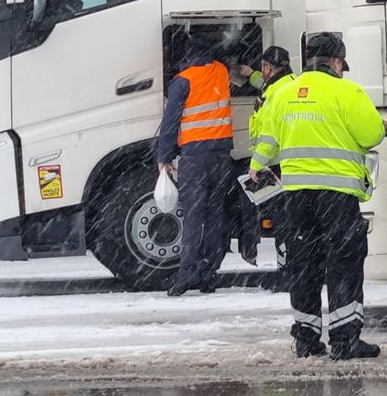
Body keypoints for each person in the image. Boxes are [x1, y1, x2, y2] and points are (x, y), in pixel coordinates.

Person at [249, 32, 384, 360]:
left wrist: (256, 166)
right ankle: (344, 340)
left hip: (295, 196)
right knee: (344, 261)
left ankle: (307, 340)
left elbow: (268, 138)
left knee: (304, 264)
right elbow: (372, 134)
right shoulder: (347, 91)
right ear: (336, 62)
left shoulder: (283, 93)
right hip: (336, 195)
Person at [158, 35, 233, 296]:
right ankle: (209, 274)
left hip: (195, 158)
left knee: (193, 216)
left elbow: (170, 123)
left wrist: (164, 157)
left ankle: (186, 273)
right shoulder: (222, 72)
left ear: (187, 57)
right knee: (215, 217)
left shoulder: (183, 81)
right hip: (222, 157)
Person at [239, 46, 296, 290]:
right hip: (288, 164)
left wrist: (255, 165)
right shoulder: (289, 82)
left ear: (268, 68)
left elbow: (269, 138)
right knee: (291, 220)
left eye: (262, 68)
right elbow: (264, 85)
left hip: (276, 166)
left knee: (283, 223)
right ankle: (291, 269)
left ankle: (286, 274)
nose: (261, 72)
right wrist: (249, 74)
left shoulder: (274, 95)